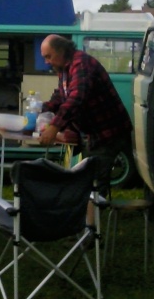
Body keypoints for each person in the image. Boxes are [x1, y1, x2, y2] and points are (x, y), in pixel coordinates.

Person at [38, 34, 133, 206]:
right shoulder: (64, 68)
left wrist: (54, 127)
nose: (46, 62)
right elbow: (61, 96)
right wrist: (41, 110)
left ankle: (91, 227)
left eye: (48, 56)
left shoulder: (81, 64)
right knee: (89, 178)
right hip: (94, 133)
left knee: (94, 184)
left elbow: (76, 98)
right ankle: (88, 221)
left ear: (60, 51)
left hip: (108, 132)